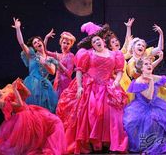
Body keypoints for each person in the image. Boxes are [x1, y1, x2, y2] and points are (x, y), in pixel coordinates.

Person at [56, 22, 128, 154]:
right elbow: (79, 70)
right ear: (92, 45)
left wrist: (117, 81)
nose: (96, 42)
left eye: (98, 39)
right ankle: (90, 143)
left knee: (112, 115)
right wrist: (79, 87)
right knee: (91, 113)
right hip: (90, 86)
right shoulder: (87, 54)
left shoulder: (115, 54)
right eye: (94, 41)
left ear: (103, 41)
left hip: (108, 86)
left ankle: (109, 142)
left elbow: (119, 71)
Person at [0, 78, 66, 155]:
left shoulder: (8, 86)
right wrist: (15, 89)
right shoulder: (0, 101)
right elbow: (19, 105)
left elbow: (27, 95)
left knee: (55, 121)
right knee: (30, 143)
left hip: (30, 110)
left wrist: (21, 86)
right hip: (21, 117)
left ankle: (52, 146)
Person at [126, 24, 166, 109]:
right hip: (142, 90)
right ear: (133, 47)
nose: (141, 47)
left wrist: (161, 34)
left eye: (143, 46)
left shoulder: (146, 55)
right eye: (139, 45)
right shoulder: (131, 62)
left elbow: (159, 48)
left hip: (153, 86)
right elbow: (138, 73)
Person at [12, 18, 58, 113]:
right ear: (34, 47)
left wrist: (45, 63)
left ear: (42, 42)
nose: (37, 43)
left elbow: (52, 72)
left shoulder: (50, 59)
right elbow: (21, 43)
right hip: (31, 84)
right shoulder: (32, 55)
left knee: (45, 110)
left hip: (45, 86)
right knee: (32, 109)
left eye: (38, 41)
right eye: (35, 43)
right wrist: (18, 28)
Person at [105, 18, 135, 102]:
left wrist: (128, 27)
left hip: (127, 81)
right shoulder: (111, 56)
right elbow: (127, 54)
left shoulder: (121, 52)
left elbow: (127, 41)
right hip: (118, 82)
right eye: (113, 42)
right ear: (110, 46)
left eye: (116, 40)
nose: (116, 42)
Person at [44, 29, 75, 96]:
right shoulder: (58, 55)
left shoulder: (70, 56)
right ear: (61, 43)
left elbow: (69, 73)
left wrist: (59, 63)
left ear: (70, 45)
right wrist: (46, 37)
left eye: (68, 43)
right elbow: (45, 51)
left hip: (65, 83)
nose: (65, 45)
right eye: (64, 43)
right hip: (57, 82)